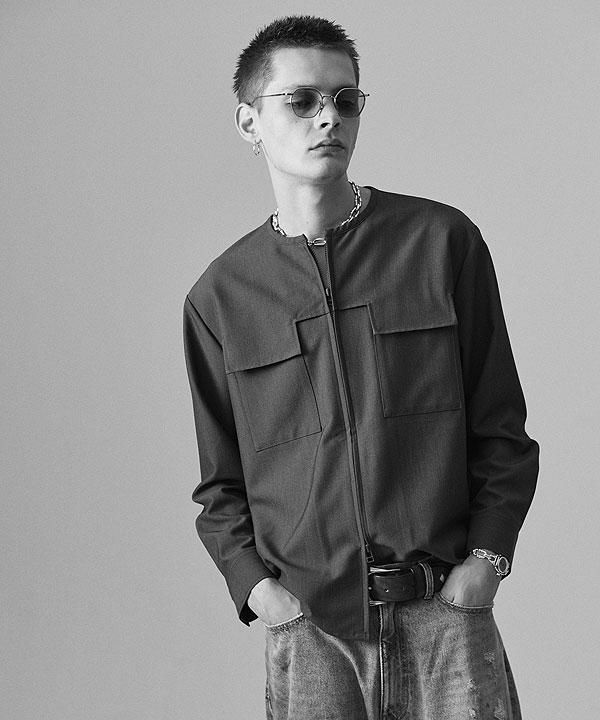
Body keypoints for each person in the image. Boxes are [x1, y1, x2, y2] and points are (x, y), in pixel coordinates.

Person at [183, 14, 539, 720]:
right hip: (311, 633)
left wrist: (486, 564)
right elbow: (220, 486)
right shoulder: (220, 297)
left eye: (346, 100)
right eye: (302, 101)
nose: (329, 118)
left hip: (445, 620)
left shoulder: (441, 243)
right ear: (250, 122)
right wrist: (259, 592)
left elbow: (501, 427)